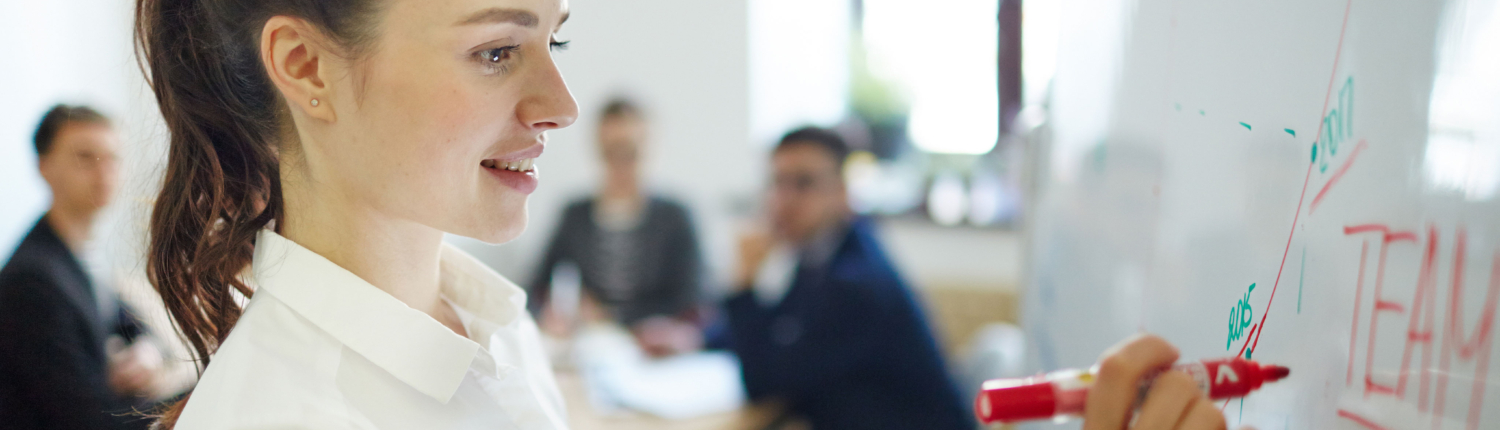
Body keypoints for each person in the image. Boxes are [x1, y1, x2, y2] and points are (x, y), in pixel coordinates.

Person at [132, 0, 1228, 428]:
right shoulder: (290, 413)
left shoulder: (486, 325)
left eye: (556, 39)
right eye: (498, 50)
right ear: (305, 68)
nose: (560, 103)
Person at [724, 127, 973, 429]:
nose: (783, 200)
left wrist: (744, 283)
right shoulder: (828, 253)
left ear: (842, 192)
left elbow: (765, 383)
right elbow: (784, 329)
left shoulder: (855, 283)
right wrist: (699, 337)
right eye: (777, 183)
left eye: (804, 183)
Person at [0, 105, 164, 430]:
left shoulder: (82, 255)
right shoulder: (32, 280)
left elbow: (133, 324)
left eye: (113, 158)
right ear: (44, 167)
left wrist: (150, 352)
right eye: (86, 158)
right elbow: (89, 421)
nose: (105, 173)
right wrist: (192, 397)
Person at [528, 97, 706, 357]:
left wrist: (610, 316)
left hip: (654, 350)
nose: (620, 164)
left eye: (630, 152)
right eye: (611, 152)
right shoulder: (575, 215)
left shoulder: (676, 217)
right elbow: (537, 287)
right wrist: (552, 313)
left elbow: (694, 301)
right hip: (590, 346)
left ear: (650, 148)